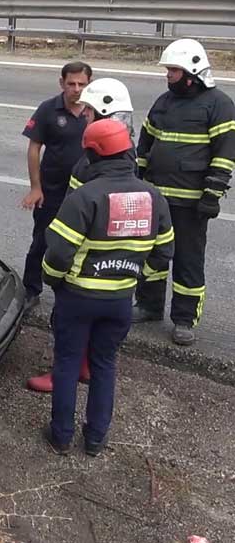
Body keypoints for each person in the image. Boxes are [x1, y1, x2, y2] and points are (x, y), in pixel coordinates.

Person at [41, 118, 174, 456]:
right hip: (119, 301)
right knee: (104, 365)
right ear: (128, 152)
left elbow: (58, 251)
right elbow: (164, 252)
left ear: (92, 155)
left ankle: (61, 437)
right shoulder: (153, 196)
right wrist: (133, 275)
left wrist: (53, 280)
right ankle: (96, 439)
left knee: (68, 364)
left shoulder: (85, 196)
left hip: (78, 297)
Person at [26, 77, 135, 393]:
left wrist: (57, 262)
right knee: (100, 331)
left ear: (102, 111)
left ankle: (63, 374)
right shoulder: (126, 152)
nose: (83, 114)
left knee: (69, 318)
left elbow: (75, 218)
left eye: (88, 109)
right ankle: (86, 367)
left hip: (84, 258)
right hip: (115, 261)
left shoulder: (90, 164)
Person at [133, 39, 235, 346]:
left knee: (188, 260)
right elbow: (145, 142)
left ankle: (184, 319)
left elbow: (225, 153)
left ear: (192, 72)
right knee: (152, 254)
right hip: (156, 198)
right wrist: (137, 179)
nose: (168, 75)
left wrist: (212, 194)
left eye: (173, 70)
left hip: (191, 203)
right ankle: (149, 306)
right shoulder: (164, 102)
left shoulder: (219, 104)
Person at [20, 62, 92, 308]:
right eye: (71, 84)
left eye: (82, 84)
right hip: (51, 190)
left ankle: (73, 293)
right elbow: (34, 148)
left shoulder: (95, 111)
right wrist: (35, 187)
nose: (76, 89)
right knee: (42, 240)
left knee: (82, 244)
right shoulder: (48, 110)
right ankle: (30, 289)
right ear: (61, 83)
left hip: (84, 193)